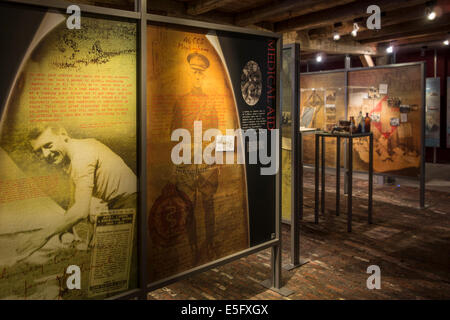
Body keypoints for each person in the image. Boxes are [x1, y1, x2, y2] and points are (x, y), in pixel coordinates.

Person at [17, 125, 137, 256]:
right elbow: (74, 202)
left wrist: (41, 236)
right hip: (121, 204)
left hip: (130, 203)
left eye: (48, 145)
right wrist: (64, 231)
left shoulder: (81, 157)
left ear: (63, 134)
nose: (45, 155)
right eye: (39, 151)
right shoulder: (77, 152)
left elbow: (81, 210)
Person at [170, 52, 219, 260]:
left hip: (207, 163)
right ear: (190, 75)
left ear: (204, 76)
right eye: (194, 72)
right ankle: (192, 246)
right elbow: (174, 135)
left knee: (208, 204)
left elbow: (215, 134)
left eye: (201, 72)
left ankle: (210, 243)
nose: (198, 75)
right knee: (189, 205)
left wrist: (216, 163)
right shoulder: (180, 102)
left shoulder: (210, 103)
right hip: (187, 164)